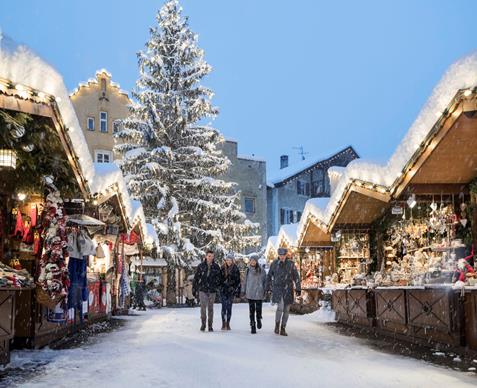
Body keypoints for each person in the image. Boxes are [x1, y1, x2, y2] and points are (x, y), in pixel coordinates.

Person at [266, 247, 301, 336]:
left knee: (287, 309)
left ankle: (283, 328)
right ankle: (277, 325)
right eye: (280, 255)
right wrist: (268, 287)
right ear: (278, 255)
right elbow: (269, 276)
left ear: (286, 255)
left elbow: (296, 277)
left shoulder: (291, 264)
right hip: (278, 289)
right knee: (280, 307)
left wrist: (298, 288)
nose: (282, 257)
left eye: (283, 255)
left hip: (288, 289)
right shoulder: (274, 264)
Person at [193, 250, 222, 332]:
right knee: (203, 308)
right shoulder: (201, 266)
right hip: (203, 290)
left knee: (211, 308)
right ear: (206, 256)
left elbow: (219, 278)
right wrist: (194, 288)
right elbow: (196, 278)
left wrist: (216, 286)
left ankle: (210, 325)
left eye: (212, 256)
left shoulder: (216, 267)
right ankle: (203, 324)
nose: (211, 258)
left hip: (212, 290)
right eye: (209, 256)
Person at [242, 254, 267, 334]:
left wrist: (265, 290)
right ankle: (253, 325)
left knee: (258, 310)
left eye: (254, 260)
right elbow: (244, 281)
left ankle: (259, 319)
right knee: (251, 311)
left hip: (259, 292)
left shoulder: (262, 270)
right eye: (251, 260)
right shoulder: (248, 270)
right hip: (250, 292)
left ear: (256, 261)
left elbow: (265, 281)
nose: (252, 262)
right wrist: (243, 290)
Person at [220, 252, 241, 330]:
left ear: (232, 260)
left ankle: (228, 323)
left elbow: (238, 281)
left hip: (231, 291)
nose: (229, 261)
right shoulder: (222, 268)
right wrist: (222, 285)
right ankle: (223, 323)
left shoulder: (235, 269)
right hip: (223, 290)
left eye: (230, 260)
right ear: (225, 260)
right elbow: (219, 280)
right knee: (223, 307)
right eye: (227, 260)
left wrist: (236, 290)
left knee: (229, 307)